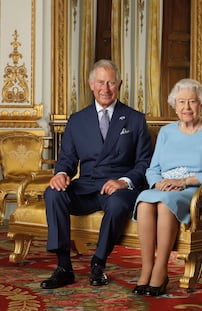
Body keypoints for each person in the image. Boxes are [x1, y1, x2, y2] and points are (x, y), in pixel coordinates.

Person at [40, 59, 152, 289]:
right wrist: (61, 173)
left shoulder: (135, 119)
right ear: (91, 84)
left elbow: (145, 163)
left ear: (119, 84)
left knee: (118, 204)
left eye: (111, 83)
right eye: (101, 82)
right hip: (88, 185)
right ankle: (63, 266)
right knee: (53, 193)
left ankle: (98, 264)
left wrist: (123, 181)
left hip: (119, 187)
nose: (106, 88)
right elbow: (67, 160)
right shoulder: (77, 120)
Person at [132, 78, 202, 296]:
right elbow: (152, 168)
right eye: (181, 102)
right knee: (145, 201)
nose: (186, 107)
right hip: (165, 188)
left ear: (201, 104)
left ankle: (161, 268)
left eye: (192, 102)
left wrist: (185, 181)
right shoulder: (166, 132)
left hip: (198, 191)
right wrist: (159, 183)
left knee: (166, 204)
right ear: (174, 104)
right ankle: (147, 267)